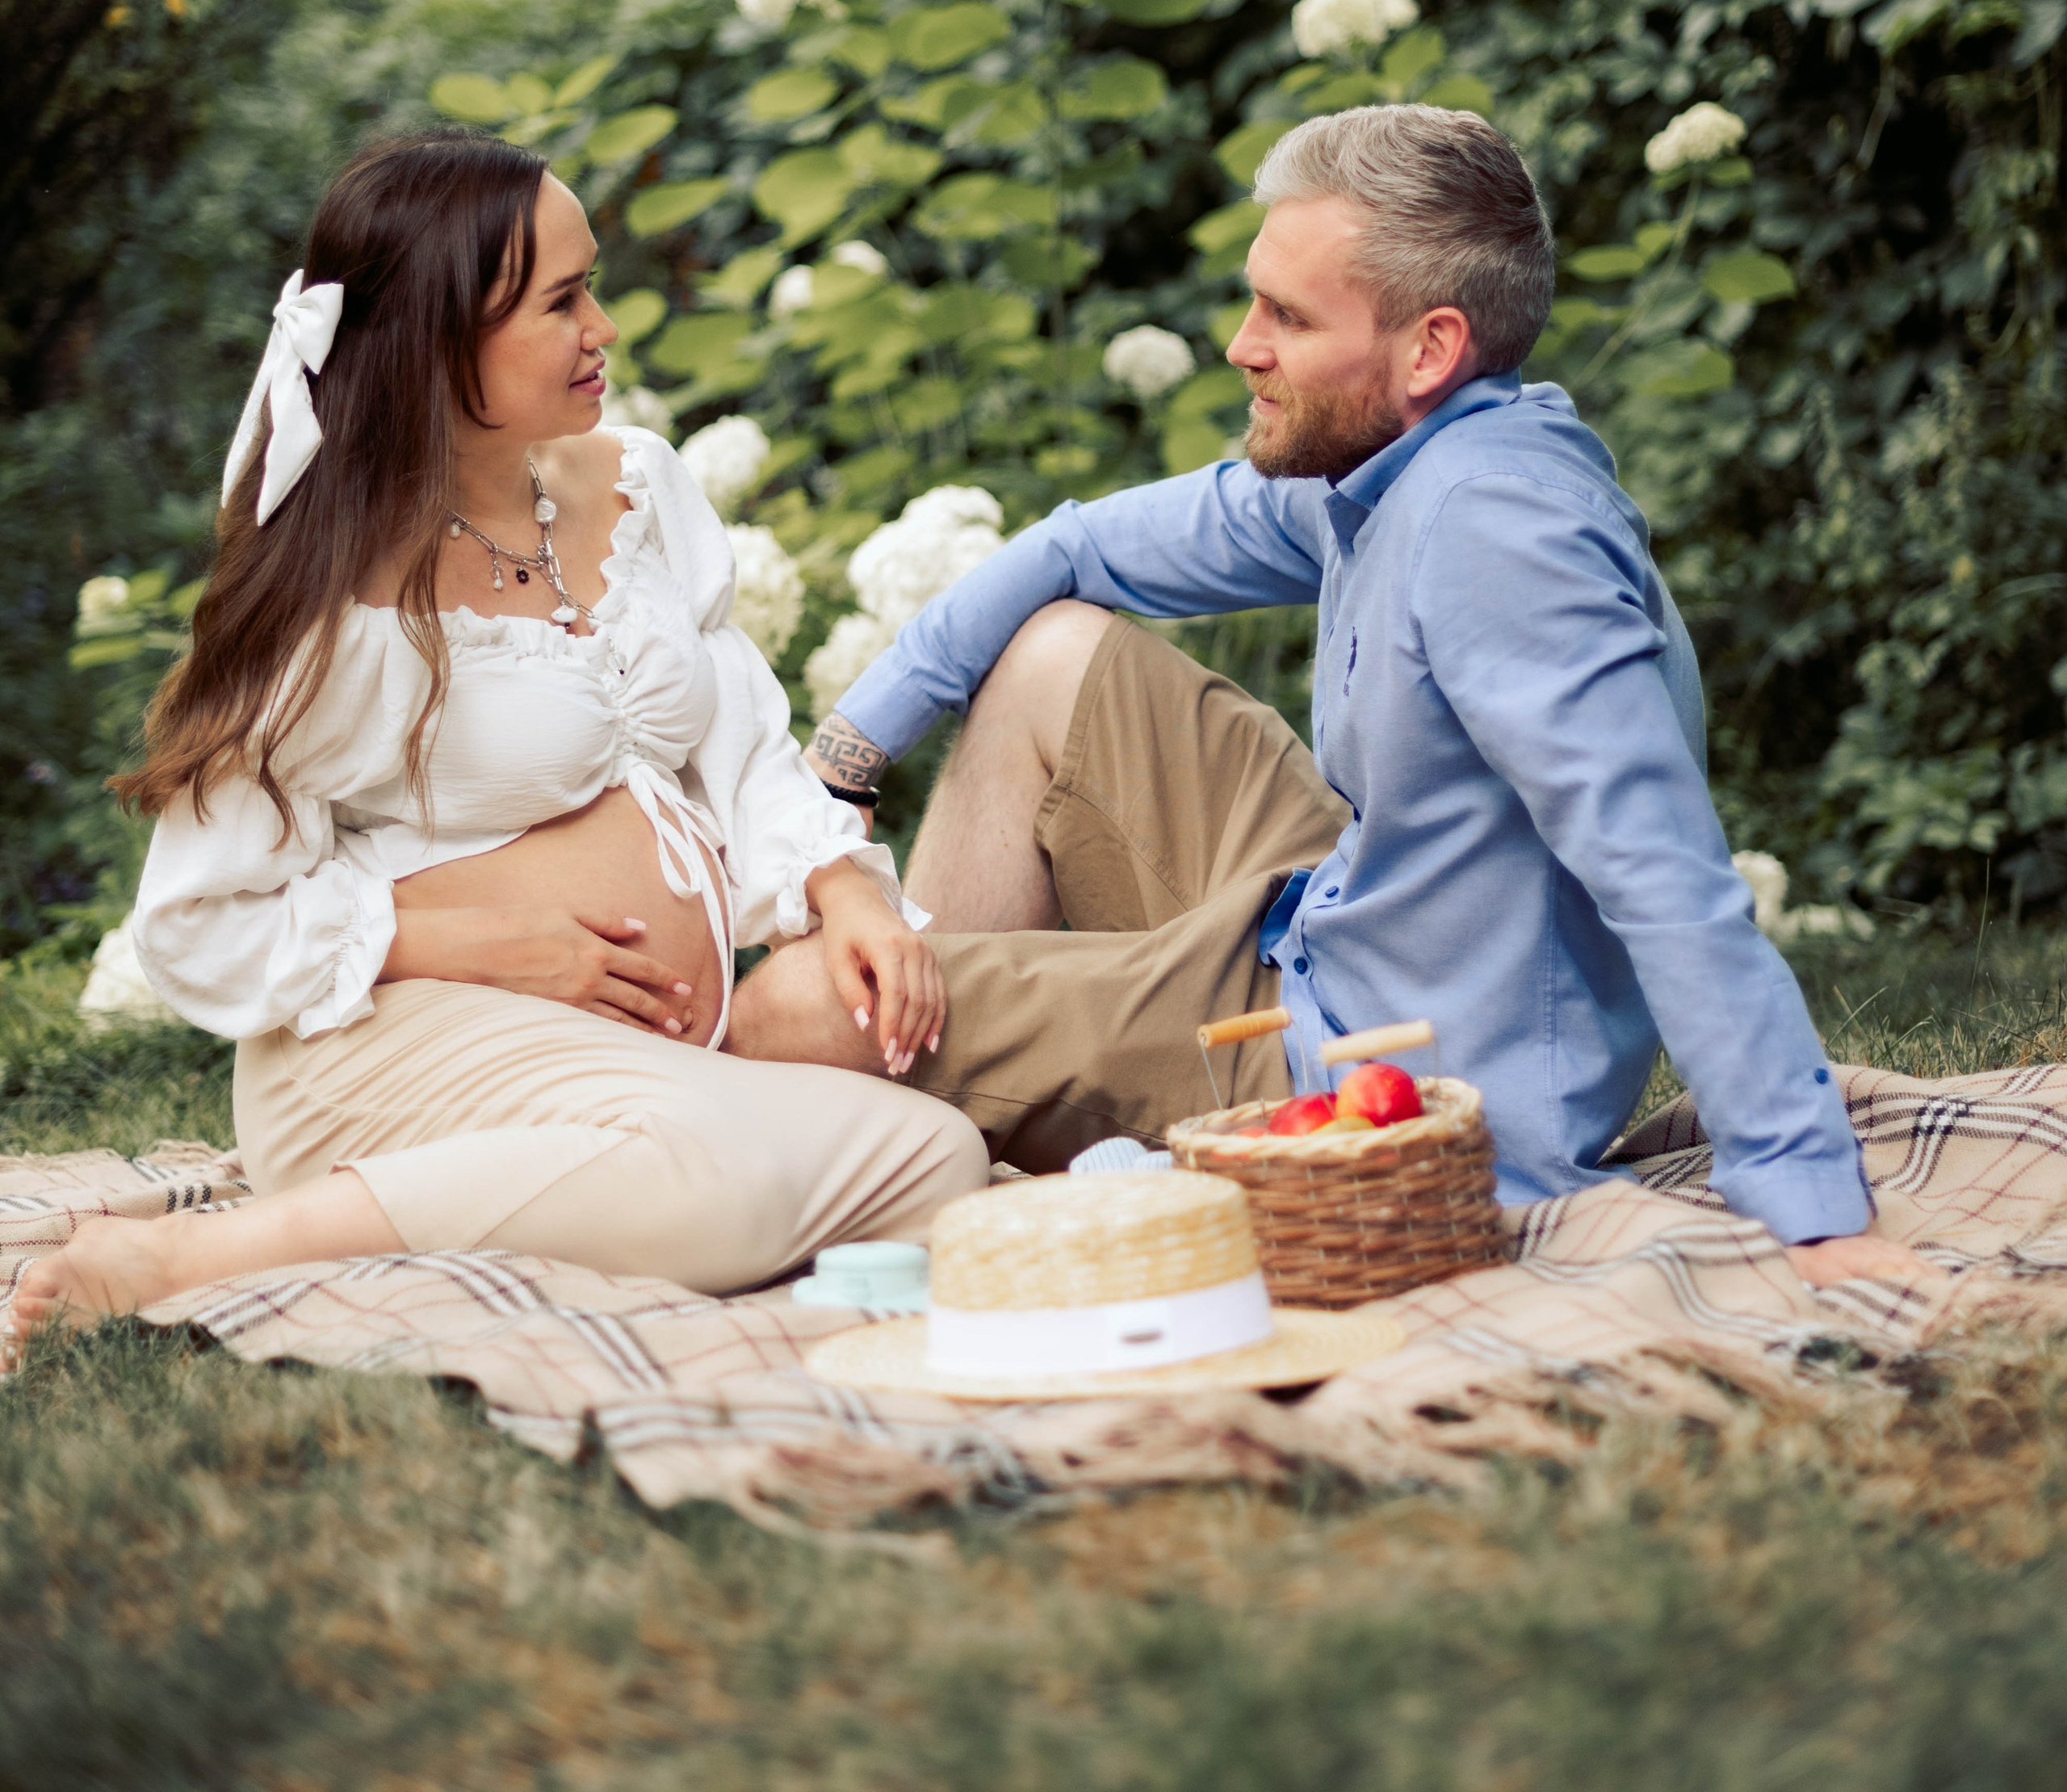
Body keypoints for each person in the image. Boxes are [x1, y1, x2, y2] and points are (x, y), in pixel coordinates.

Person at [736, 102, 1931, 1295]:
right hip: (1335, 919)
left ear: (1429, 349)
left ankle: (960, 1102)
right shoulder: (1393, 463)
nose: (1240, 344)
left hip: (1384, 1071)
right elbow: (1076, 547)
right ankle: (967, 1059)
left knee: (792, 1011)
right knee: (1054, 650)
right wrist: (843, 762)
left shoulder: (1500, 542)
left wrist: (1806, 1200)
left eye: (1288, 317)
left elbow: (1665, 873)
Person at [4, 133, 981, 1365]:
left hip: (599, 1055)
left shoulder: (641, 489)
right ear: (437, 339)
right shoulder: (340, 607)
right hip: (383, 1055)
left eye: (594, 288)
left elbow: (743, 739)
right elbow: (197, 924)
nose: (605, 328)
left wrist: (840, 885)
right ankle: (194, 1258)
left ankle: (634, 1182)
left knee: (935, 1156)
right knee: (716, 1167)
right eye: (562, 302)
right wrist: (457, 940)